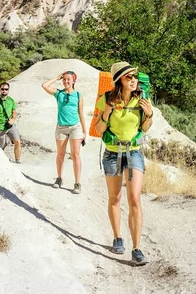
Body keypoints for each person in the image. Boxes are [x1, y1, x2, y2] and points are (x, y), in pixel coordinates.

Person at [94, 61, 153, 266]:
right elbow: (99, 130)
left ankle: (137, 249)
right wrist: (107, 113)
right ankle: (118, 237)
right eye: (129, 77)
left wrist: (149, 114)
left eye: (135, 77)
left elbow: (145, 128)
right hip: (112, 153)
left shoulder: (142, 99)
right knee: (115, 198)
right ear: (120, 80)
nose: (134, 80)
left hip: (134, 152)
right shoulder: (106, 99)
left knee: (135, 198)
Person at [41, 71, 87, 194]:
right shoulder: (58, 93)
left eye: (69, 79)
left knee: (75, 155)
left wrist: (84, 131)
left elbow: (81, 114)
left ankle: (77, 183)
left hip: (75, 128)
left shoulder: (78, 95)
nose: (66, 81)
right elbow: (44, 85)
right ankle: (59, 178)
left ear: (73, 81)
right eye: (64, 79)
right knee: (60, 154)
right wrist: (56, 77)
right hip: (61, 128)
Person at [0, 82, 22, 163]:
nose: (4, 91)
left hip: (10, 125)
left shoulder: (11, 100)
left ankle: (17, 161)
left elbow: (14, 112)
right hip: (0, 127)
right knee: (1, 145)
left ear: (8, 90)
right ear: (0, 90)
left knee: (17, 141)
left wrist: (13, 119)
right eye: (2, 89)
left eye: (6, 89)